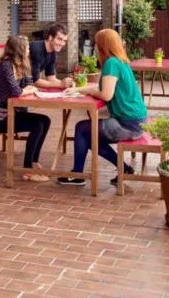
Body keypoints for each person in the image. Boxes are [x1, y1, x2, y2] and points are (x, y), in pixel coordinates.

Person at [58, 28, 147, 186]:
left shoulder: (111, 63)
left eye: (97, 44)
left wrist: (90, 91)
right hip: (136, 121)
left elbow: (106, 95)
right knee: (89, 134)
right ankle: (124, 168)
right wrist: (78, 90)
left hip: (127, 124)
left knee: (82, 129)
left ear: (103, 46)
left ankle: (77, 174)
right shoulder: (121, 61)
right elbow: (101, 90)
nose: (95, 48)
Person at [0, 35, 51, 182]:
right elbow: (17, 91)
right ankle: (27, 171)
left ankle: (33, 162)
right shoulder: (5, 66)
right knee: (37, 125)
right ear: (19, 50)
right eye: (26, 48)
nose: (29, 51)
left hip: (11, 112)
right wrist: (28, 89)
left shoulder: (18, 65)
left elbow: (29, 84)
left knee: (45, 120)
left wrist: (28, 85)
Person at [30, 23, 74, 89]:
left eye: (64, 41)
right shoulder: (36, 49)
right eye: (59, 39)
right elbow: (35, 81)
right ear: (50, 38)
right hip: (13, 84)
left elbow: (51, 77)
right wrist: (60, 84)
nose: (62, 43)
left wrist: (67, 85)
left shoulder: (53, 53)